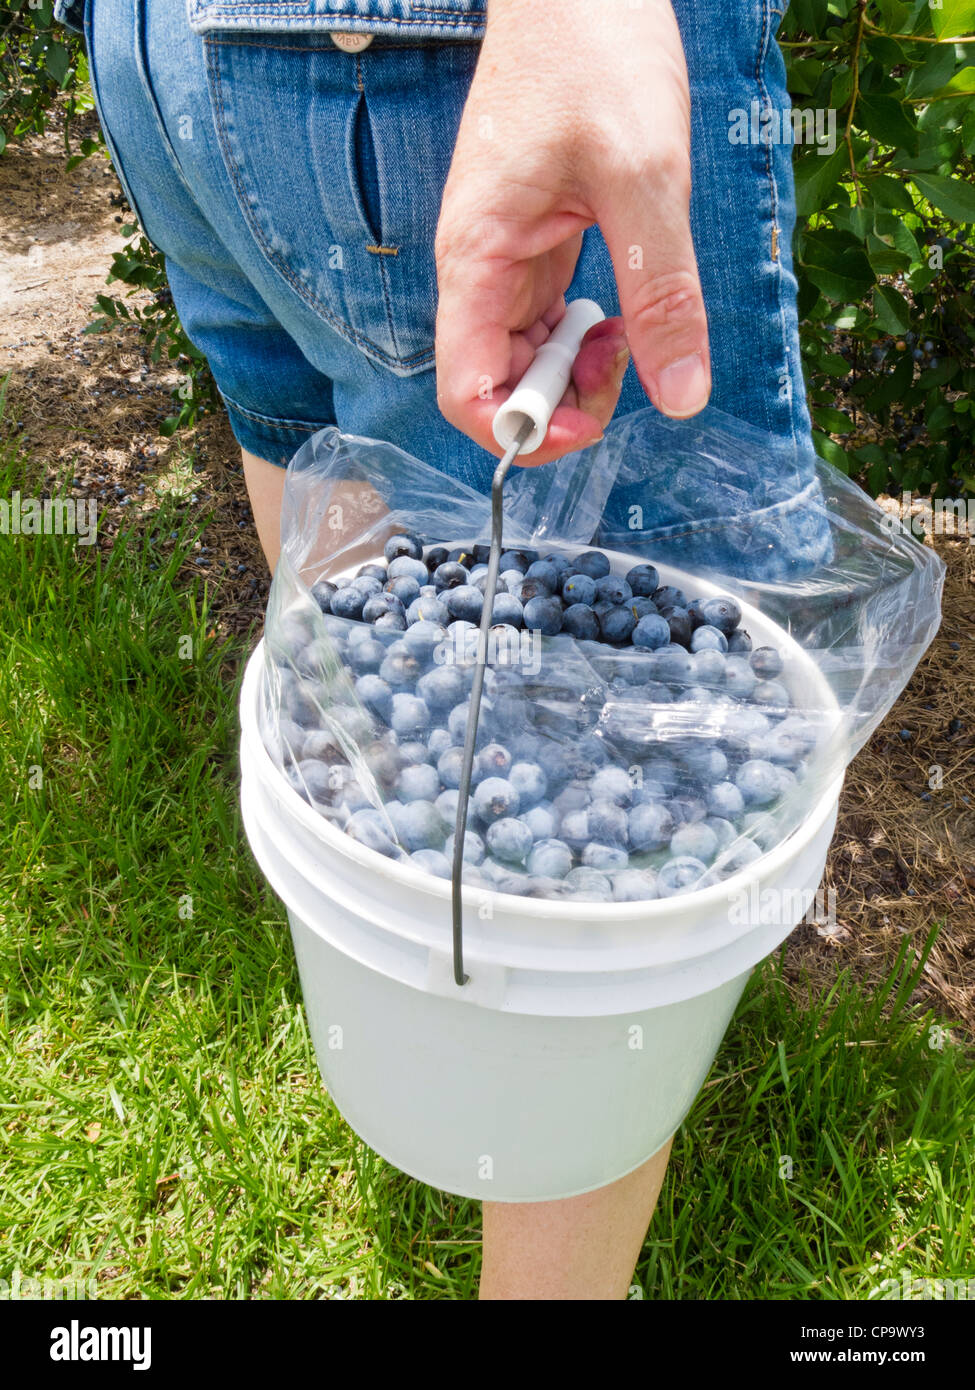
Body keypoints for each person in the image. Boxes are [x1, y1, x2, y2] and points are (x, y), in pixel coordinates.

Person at [56, 0, 813, 1299]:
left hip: (165, 50)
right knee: (607, 821)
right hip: (441, 43)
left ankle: (418, 1029)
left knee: (364, 617)